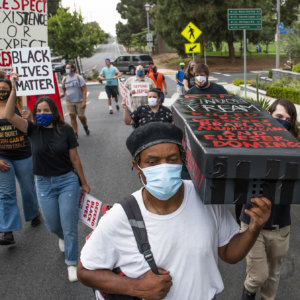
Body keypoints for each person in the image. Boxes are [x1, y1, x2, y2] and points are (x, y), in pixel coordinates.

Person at [78, 122, 271, 300]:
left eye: (172, 159)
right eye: (152, 162)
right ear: (137, 166)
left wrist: (254, 229)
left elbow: (229, 253)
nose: (164, 167)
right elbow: (85, 271)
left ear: (182, 160)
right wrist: (135, 287)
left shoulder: (205, 199)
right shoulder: (122, 216)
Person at [5, 73, 90, 282]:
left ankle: (71, 262)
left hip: (67, 181)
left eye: (46, 110)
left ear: (54, 112)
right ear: (34, 113)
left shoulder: (66, 130)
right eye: (39, 111)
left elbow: (75, 159)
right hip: (43, 183)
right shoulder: (31, 129)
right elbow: (8, 115)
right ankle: (61, 237)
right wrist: (14, 88)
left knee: (69, 224)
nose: (42, 113)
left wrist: (84, 182)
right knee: (53, 224)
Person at [240, 98, 299, 300]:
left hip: (280, 227)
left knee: (272, 277)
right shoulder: (252, 143)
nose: (282, 122)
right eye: (278, 117)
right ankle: (247, 293)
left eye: (287, 120)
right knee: (258, 276)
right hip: (252, 223)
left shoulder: (295, 151)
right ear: (268, 115)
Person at [0, 78, 40, 245]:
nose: (1, 90)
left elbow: (33, 130)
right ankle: (7, 230)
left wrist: (30, 117)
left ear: (11, 91)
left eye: (4, 88)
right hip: (3, 157)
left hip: (24, 155)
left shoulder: (20, 107)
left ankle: (33, 214)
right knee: (6, 193)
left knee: (28, 189)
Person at [60, 63, 90, 138]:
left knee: (81, 116)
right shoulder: (65, 78)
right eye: (66, 68)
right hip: (69, 100)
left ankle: (85, 126)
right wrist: (63, 93)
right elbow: (63, 88)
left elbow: (84, 89)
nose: (66, 70)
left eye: (68, 68)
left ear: (73, 69)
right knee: (72, 116)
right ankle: (75, 132)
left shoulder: (78, 77)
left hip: (79, 100)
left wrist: (84, 101)